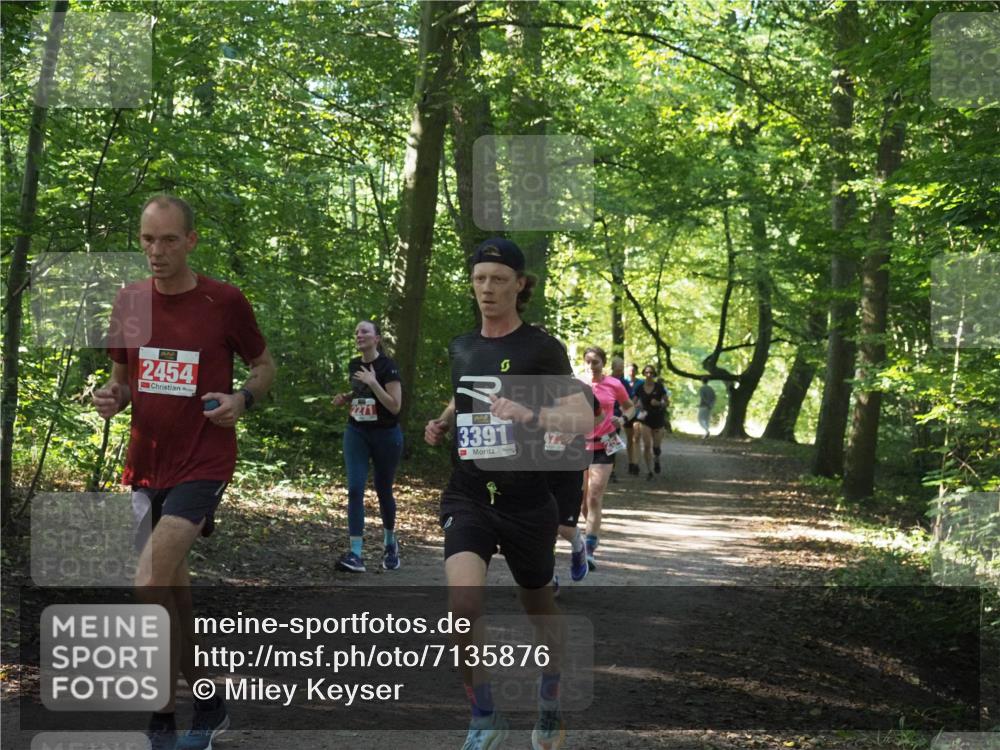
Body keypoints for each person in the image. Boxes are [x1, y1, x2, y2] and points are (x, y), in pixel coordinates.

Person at [93, 195, 276, 750]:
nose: (157, 251)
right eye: (148, 239)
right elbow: (123, 380)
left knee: (149, 578)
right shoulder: (130, 301)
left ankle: (162, 710)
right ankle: (208, 694)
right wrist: (112, 397)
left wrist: (242, 398)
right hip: (147, 462)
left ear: (191, 241)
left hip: (205, 457)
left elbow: (265, 366)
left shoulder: (223, 301)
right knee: (171, 584)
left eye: (169, 240)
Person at [424, 238, 594, 750]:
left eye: (499, 279)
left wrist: (532, 415)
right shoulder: (461, 346)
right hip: (469, 494)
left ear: (520, 285)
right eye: (479, 279)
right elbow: (465, 396)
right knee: (463, 603)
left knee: (539, 610)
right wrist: (442, 421)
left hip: (526, 503)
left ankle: (550, 695)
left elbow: (583, 418)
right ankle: (484, 717)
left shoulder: (541, 348)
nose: (487, 289)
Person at [331, 320, 403, 573]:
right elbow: (362, 392)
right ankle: (355, 553)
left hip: (386, 435)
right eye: (357, 332)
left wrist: (374, 382)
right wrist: (347, 397)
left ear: (377, 339)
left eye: (365, 332)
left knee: (383, 490)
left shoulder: (388, 367)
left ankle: (390, 544)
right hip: (357, 431)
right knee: (354, 489)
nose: (358, 335)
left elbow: (395, 406)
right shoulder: (354, 364)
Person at [580, 346, 636, 570]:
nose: (592, 366)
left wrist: (622, 419)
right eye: (588, 362)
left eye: (596, 362)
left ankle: (590, 549)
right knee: (581, 500)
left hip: (604, 445)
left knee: (594, 495)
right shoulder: (578, 384)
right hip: (578, 447)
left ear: (604, 364)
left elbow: (630, 407)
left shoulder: (614, 384)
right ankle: (587, 535)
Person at [634, 365, 669, 480]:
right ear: (644, 373)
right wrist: (637, 405)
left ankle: (657, 459)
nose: (649, 375)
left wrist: (659, 403)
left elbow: (667, 403)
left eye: (651, 373)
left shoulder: (659, 387)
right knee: (647, 445)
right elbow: (632, 402)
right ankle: (649, 471)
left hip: (658, 419)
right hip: (645, 419)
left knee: (656, 446)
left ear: (654, 374)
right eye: (647, 372)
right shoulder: (639, 387)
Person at [622, 363, 644, 476]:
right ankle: (630, 462)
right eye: (630, 370)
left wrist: (639, 404)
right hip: (626, 414)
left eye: (634, 370)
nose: (632, 372)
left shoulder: (641, 383)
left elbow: (643, 396)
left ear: (636, 371)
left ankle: (636, 463)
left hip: (637, 414)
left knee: (637, 437)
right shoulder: (623, 382)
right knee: (629, 439)